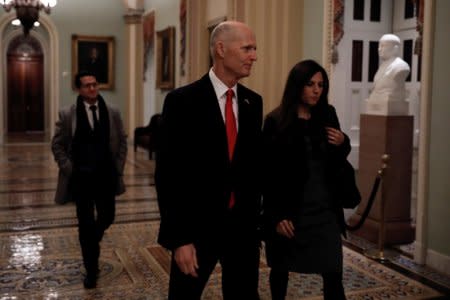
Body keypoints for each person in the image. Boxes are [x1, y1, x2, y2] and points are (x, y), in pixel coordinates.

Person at [155, 21, 262, 299]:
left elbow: (251, 170)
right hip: (196, 230)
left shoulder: (253, 103)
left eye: (255, 49)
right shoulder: (182, 101)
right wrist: (179, 239)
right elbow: (169, 175)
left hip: (242, 232)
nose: (254, 56)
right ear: (221, 49)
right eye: (247, 48)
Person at [262, 60, 351, 300]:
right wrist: (276, 216)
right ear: (297, 85)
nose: (316, 90)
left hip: (325, 210)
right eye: (310, 84)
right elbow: (268, 175)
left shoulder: (327, 114)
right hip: (291, 212)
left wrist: (344, 142)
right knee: (280, 270)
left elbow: (337, 157)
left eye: (321, 85)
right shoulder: (276, 120)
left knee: (333, 272)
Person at [51, 70, 127, 289]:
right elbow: (57, 145)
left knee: (108, 217)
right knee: (85, 225)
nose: (92, 89)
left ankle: (91, 241)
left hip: (106, 177)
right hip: (81, 180)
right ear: (78, 89)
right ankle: (91, 271)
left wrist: (118, 167)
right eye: (87, 86)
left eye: (95, 84)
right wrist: (69, 168)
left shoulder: (112, 111)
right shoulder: (68, 114)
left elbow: (122, 141)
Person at [367, 34, 410, 114]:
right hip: (378, 98)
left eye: (383, 46)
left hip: (392, 98)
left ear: (395, 49)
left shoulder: (401, 66)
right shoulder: (382, 66)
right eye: (379, 46)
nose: (379, 49)